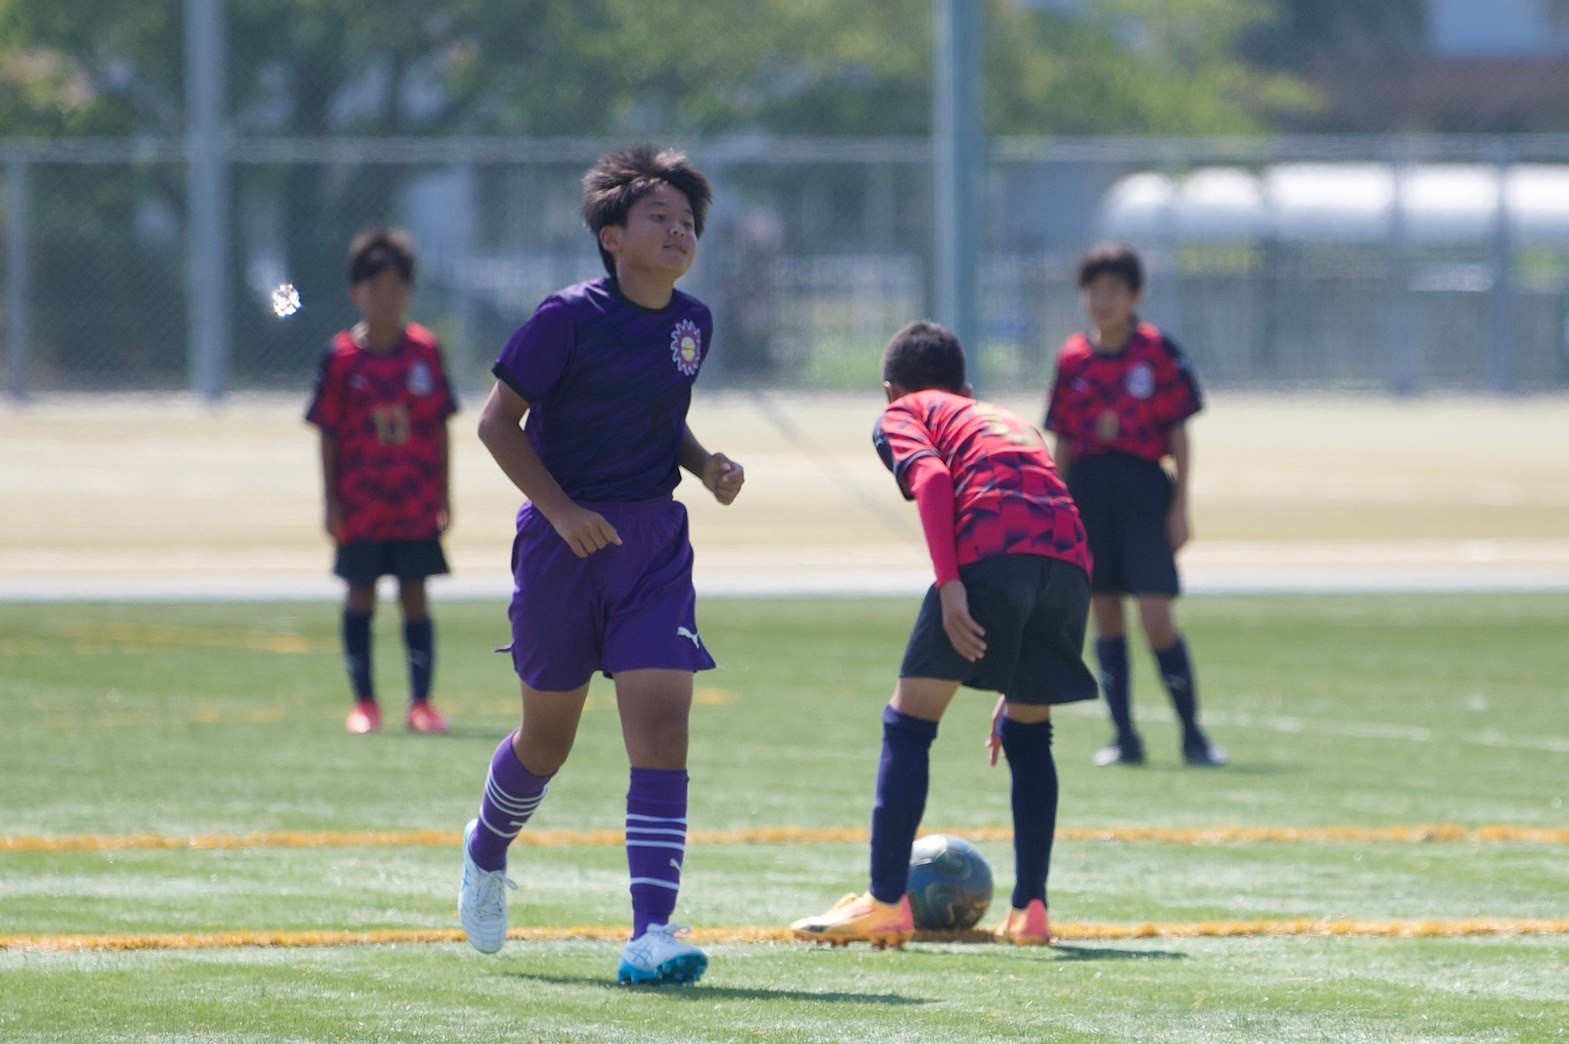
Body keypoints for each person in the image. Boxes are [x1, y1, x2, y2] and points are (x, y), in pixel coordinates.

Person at [458, 145, 744, 986]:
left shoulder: (693, 324)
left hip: (653, 546)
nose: (679, 231)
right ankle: (485, 849)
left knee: (662, 727)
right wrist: (561, 510)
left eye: (688, 222)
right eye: (660, 217)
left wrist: (704, 464)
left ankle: (651, 932)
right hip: (563, 548)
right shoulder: (565, 318)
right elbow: (497, 423)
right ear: (611, 236)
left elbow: (658, 413)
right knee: (546, 741)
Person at [789, 319, 1096, 949]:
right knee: (1029, 732)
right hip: (1069, 562)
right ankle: (1031, 910)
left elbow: (931, 480)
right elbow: (1042, 495)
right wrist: (1016, 672)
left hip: (993, 552)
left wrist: (951, 584)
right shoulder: (1009, 420)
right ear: (967, 388)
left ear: (890, 390)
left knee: (909, 722)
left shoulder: (905, 411)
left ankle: (884, 901)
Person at [1044, 243, 1225, 768]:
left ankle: (1193, 735)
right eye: (1093, 291)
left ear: (1135, 296)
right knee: (1105, 615)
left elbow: (1179, 432)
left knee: (1156, 615)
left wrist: (1180, 507)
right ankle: (1125, 737)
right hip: (1088, 493)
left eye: (1113, 291)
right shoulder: (1073, 358)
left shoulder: (1156, 352)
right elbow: (1063, 439)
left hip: (1144, 491)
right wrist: (1056, 506)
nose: (1102, 301)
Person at [306, 227, 457, 736]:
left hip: (413, 502)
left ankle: (422, 704)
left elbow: (440, 426)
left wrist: (444, 495)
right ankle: (366, 704)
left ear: (409, 292)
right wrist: (331, 502)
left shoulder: (425, 352)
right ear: (356, 294)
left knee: (415, 596)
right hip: (361, 503)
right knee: (360, 596)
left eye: (396, 288)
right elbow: (328, 433)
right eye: (375, 288)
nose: (386, 299)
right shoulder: (342, 358)